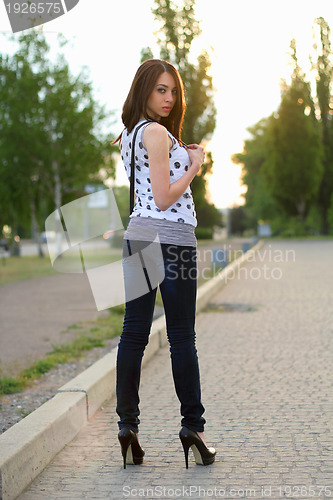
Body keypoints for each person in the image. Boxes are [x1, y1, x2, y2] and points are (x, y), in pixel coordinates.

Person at [112, 59, 216, 469]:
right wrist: (194, 166)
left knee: (133, 334)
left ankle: (127, 427)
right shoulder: (156, 132)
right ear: (143, 90)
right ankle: (194, 428)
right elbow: (163, 197)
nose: (169, 98)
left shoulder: (128, 135)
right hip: (171, 241)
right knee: (182, 337)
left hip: (138, 237)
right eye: (160, 89)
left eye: (173, 91)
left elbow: (145, 195)